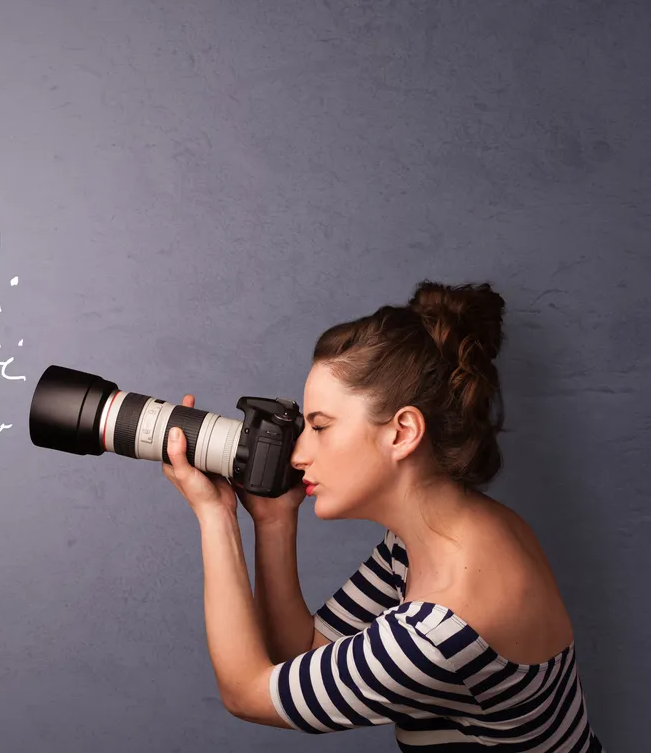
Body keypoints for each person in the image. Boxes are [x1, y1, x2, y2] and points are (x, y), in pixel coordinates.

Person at [160, 280, 603, 751]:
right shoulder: (444, 537)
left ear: (403, 432)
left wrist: (214, 514)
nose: (297, 454)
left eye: (320, 427)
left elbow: (247, 693)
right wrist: (274, 522)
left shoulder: (443, 627)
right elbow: (303, 651)